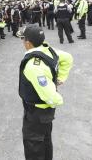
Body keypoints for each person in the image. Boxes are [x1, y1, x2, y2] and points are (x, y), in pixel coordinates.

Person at [17, 25, 73, 160]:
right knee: (45, 142)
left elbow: (50, 96)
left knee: (34, 147)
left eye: (22, 39)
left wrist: (56, 97)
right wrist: (60, 78)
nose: (22, 42)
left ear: (28, 43)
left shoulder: (33, 66)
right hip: (44, 113)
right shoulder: (48, 50)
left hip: (37, 113)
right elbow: (68, 58)